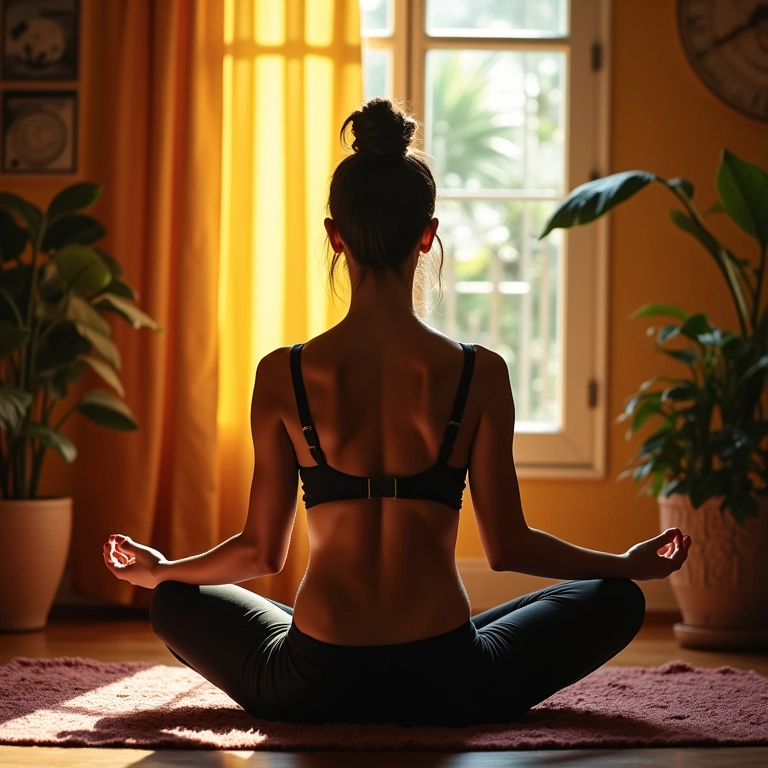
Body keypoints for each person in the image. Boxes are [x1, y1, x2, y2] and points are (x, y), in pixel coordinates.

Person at [103, 98, 691, 727]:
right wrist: (625, 565)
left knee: (172, 601)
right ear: (427, 234)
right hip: (451, 681)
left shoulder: (284, 373)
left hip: (311, 683)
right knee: (615, 599)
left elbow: (260, 554)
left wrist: (164, 570)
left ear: (335, 235)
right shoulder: (479, 372)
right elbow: (509, 546)